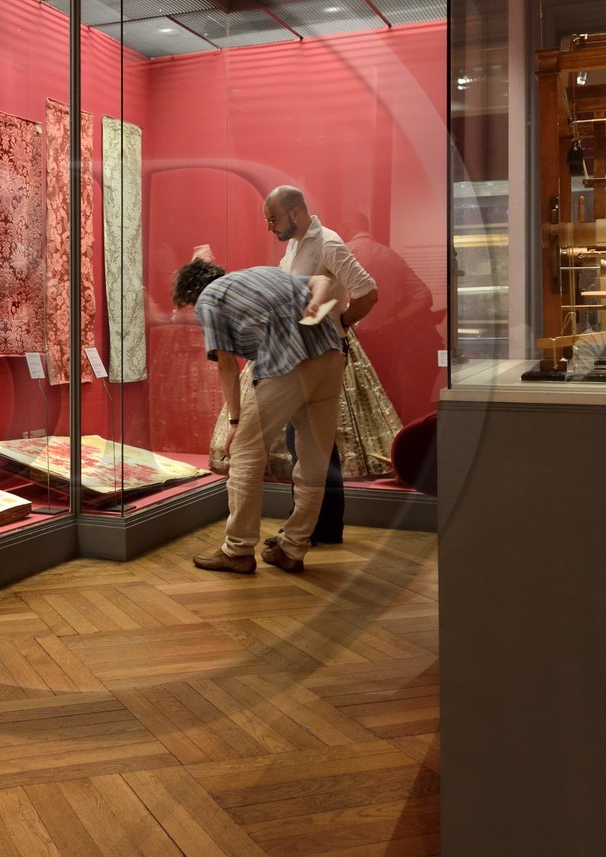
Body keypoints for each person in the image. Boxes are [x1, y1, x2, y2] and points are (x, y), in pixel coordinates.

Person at [172, 251, 343, 574]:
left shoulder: (210, 297)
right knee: (314, 460)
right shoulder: (265, 273)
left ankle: (237, 549)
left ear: (192, 293)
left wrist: (235, 422)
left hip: (287, 363)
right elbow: (325, 281)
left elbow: (225, 364)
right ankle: (292, 548)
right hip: (330, 355)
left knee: (246, 452)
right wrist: (316, 302)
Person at [262, 186, 404, 544]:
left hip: (320, 353)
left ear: (295, 213)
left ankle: (321, 527)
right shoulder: (294, 244)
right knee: (305, 442)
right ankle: (311, 525)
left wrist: (339, 326)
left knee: (316, 443)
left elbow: (368, 292)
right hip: (300, 352)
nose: (270, 227)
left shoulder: (329, 243)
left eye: (273, 219)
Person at [340, 209, 442, 421]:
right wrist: (392, 321)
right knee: (381, 397)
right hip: (383, 339)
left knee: (353, 401)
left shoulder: (344, 253)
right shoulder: (390, 255)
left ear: (348, 226)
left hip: (351, 338)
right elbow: (424, 297)